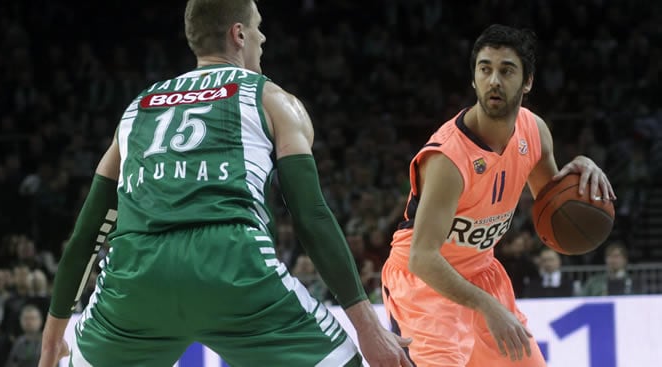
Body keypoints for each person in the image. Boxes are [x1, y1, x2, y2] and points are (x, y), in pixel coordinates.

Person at [39, 1, 412, 366]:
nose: (262, 37)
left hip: (136, 275)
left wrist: (53, 340)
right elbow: (311, 216)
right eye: (258, 26)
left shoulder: (137, 109)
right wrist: (368, 328)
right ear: (238, 34)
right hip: (232, 265)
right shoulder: (271, 98)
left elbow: (88, 233)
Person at [381, 24, 616, 367]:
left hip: (481, 275)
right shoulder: (449, 158)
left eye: (506, 71)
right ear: (473, 79)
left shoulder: (534, 132)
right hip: (425, 285)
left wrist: (581, 168)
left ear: (527, 81)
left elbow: (553, 210)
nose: (494, 80)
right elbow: (422, 257)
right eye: (485, 69)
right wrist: (487, 306)